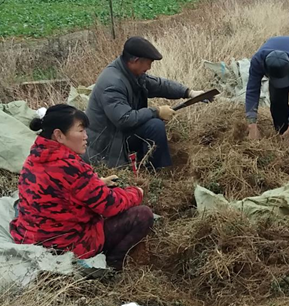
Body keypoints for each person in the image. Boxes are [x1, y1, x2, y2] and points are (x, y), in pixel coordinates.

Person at [10, 104, 152, 270]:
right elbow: (110, 205)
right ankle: (113, 263)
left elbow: (63, 186)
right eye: (80, 130)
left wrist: (97, 182)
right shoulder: (71, 168)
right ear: (59, 135)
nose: (86, 136)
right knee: (143, 214)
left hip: (30, 236)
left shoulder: (34, 158)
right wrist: (136, 192)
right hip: (66, 245)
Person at [86, 36, 208, 169]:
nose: (149, 67)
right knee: (154, 125)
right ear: (135, 60)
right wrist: (156, 112)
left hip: (120, 133)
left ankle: (148, 162)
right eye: (148, 63)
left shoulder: (131, 73)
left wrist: (189, 93)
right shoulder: (112, 83)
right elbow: (124, 119)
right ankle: (157, 171)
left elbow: (159, 85)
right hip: (108, 143)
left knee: (153, 124)